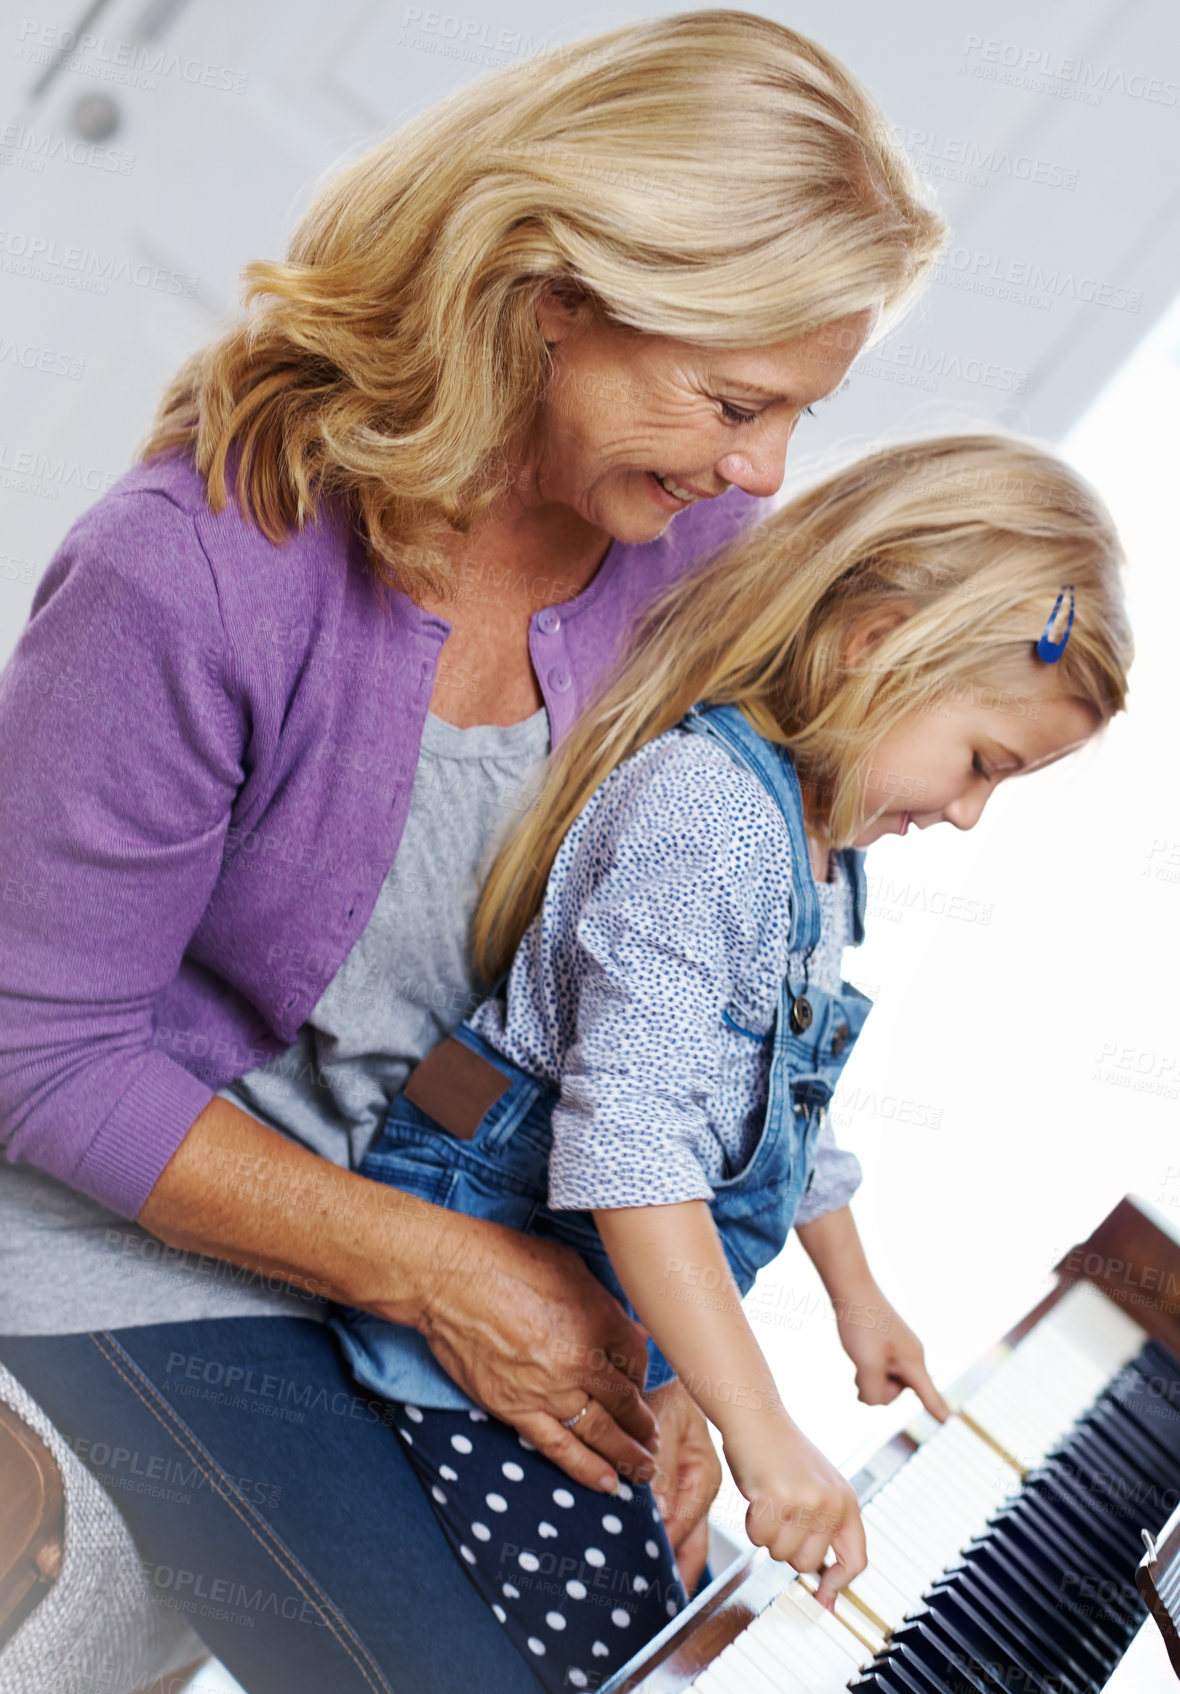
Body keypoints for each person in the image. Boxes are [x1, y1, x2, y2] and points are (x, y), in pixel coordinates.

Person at [0, 13, 944, 1692]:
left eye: (802, 408)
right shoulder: (191, 572)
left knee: (682, 1646)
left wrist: (662, 1346)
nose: (766, 468)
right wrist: (447, 1271)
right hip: (126, 1230)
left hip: (440, 1200)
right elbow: (34, 1050)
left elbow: (687, 988)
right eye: (736, 399)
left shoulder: (704, 554)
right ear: (551, 295)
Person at [328, 434, 1132, 1692]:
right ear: (874, 640)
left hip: (607, 1299)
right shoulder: (708, 816)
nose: (970, 813)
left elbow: (781, 1110)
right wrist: (767, 1438)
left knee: (682, 1609)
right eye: (981, 762)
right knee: (618, 1659)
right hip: (485, 1293)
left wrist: (857, 1297)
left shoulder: (823, 845)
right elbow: (633, 1150)